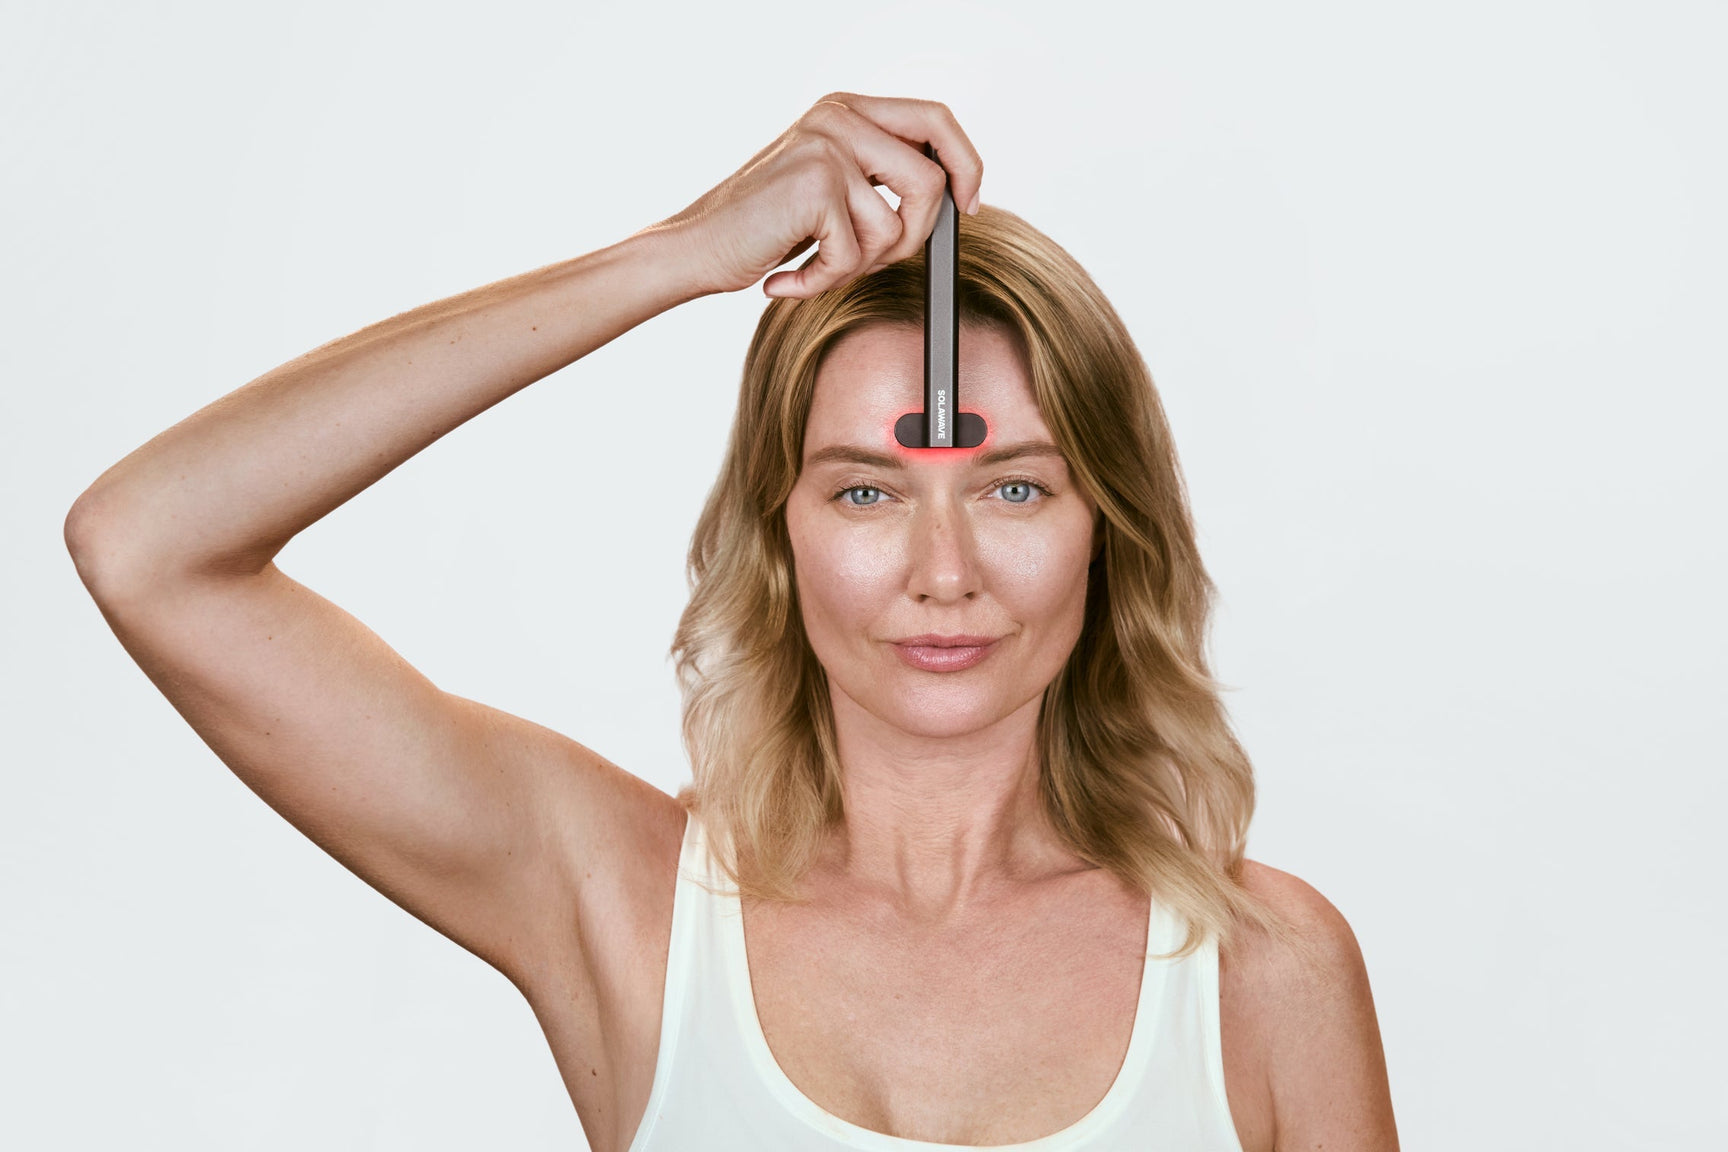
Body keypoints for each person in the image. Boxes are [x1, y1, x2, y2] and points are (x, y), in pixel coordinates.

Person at [65, 94, 1398, 1151]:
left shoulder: (1264, 979)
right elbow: (149, 547)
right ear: (781, 532)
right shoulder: (629, 907)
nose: (945, 572)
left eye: (1015, 485)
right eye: (868, 488)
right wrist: (678, 257)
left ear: (1110, 526)